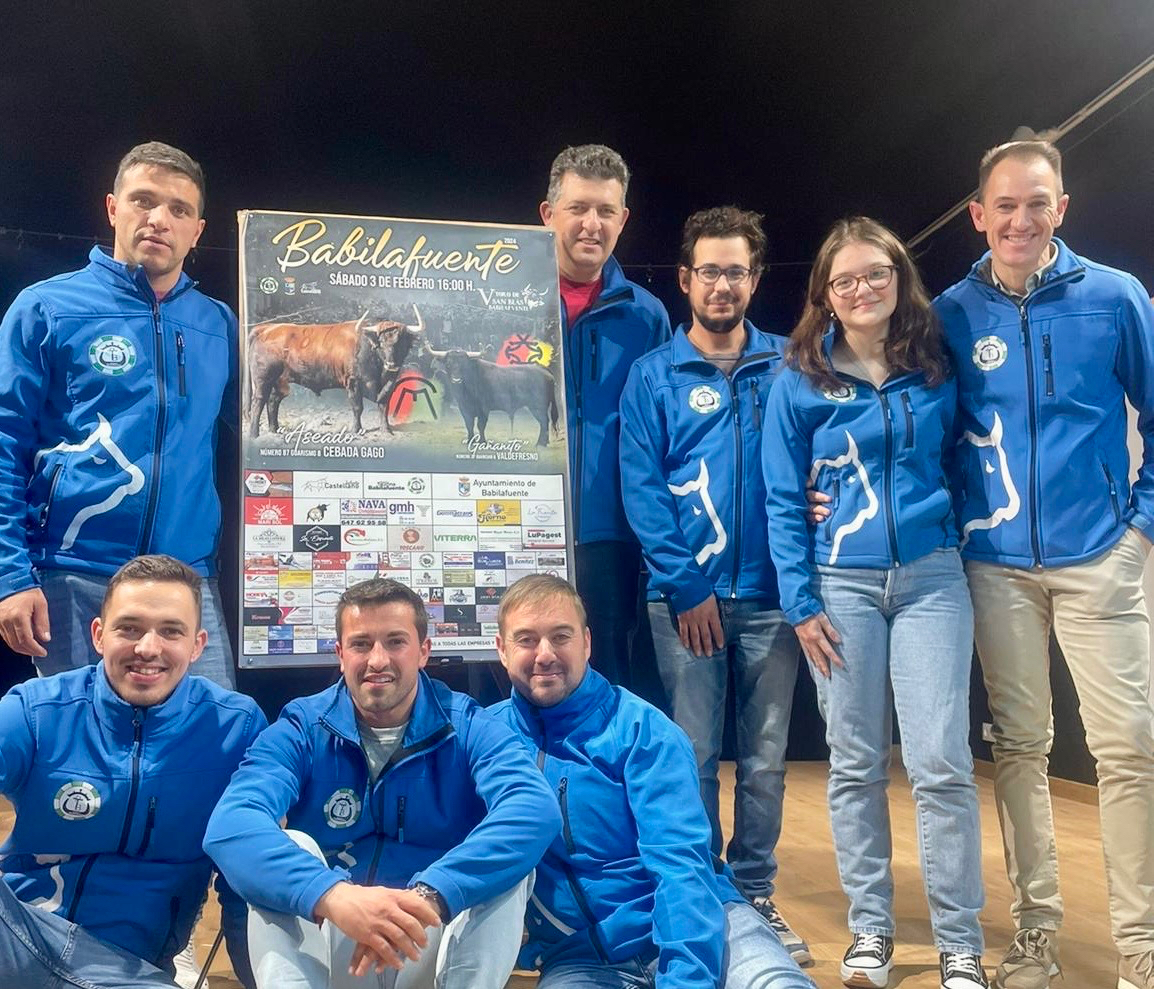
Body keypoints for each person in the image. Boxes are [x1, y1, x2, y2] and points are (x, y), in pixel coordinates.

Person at [933, 138, 1154, 989]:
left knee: (1128, 749)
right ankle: (1035, 935)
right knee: (1020, 747)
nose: (1021, 220)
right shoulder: (951, 313)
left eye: (1038, 203)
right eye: (1005, 205)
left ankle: (1141, 949)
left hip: (1102, 559)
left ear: (1061, 207)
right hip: (995, 567)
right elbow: (919, 433)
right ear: (978, 215)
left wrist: (1139, 532)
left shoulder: (1115, 297)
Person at [764, 217, 987, 989]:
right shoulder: (798, 379)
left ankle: (960, 941)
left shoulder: (936, 363)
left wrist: (952, 522)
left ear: (899, 278)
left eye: (876, 273)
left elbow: (964, 456)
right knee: (856, 763)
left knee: (941, 763)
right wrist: (800, 602)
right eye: (845, 279)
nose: (862, 288)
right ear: (825, 293)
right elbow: (782, 498)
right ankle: (871, 929)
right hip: (840, 588)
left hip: (933, 579)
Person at [203, 577, 561, 989]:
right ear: (340, 654)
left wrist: (432, 893)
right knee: (290, 848)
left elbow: (533, 809)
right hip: (337, 933)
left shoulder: (467, 724)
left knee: (510, 866)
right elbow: (231, 825)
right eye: (361, 644)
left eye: (395, 642)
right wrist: (332, 894)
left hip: (427, 932)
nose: (377, 660)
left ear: (423, 651)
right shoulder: (303, 725)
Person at [618, 205, 807, 964]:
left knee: (765, 760)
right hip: (683, 602)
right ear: (684, 278)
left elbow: (822, 457)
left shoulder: (791, 363)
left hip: (773, 597)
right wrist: (684, 585)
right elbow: (641, 488)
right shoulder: (651, 375)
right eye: (709, 271)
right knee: (692, 755)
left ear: (754, 279)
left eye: (736, 272)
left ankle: (755, 892)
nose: (722, 285)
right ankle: (700, 892)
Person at [489, 573, 816, 989]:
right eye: (527, 640)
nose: (546, 654)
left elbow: (679, 865)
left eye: (561, 637)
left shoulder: (644, 730)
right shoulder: (488, 740)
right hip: (582, 958)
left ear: (587, 643)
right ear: (501, 649)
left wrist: (687, 979)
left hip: (709, 928)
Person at [0, 141, 239, 687]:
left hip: (187, 579)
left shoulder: (218, 324)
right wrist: (10, 575)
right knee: (80, 734)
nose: (159, 219)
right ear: (113, 208)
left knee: (210, 732)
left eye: (179, 209)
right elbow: (4, 442)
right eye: (143, 200)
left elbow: (266, 433)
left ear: (197, 231)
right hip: (75, 574)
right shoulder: (47, 308)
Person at [0, 554, 265, 988]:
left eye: (171, 631)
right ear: (99, 635)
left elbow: (245, 879)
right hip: (22, 940)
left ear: (197, 645)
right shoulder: (36, 710)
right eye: (129, 628)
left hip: (127, 971)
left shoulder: (235, 727)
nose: (148, 648)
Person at [539, 143, 671, 688]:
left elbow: (665, 435)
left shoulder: (647, 315)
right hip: (509, 523)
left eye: (606, 211)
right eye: (578, 208)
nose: (592, 224)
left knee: (604, 676)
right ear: (548, 214)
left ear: (623, 219)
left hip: (609, 537)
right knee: (515, 672)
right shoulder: (503, 301)